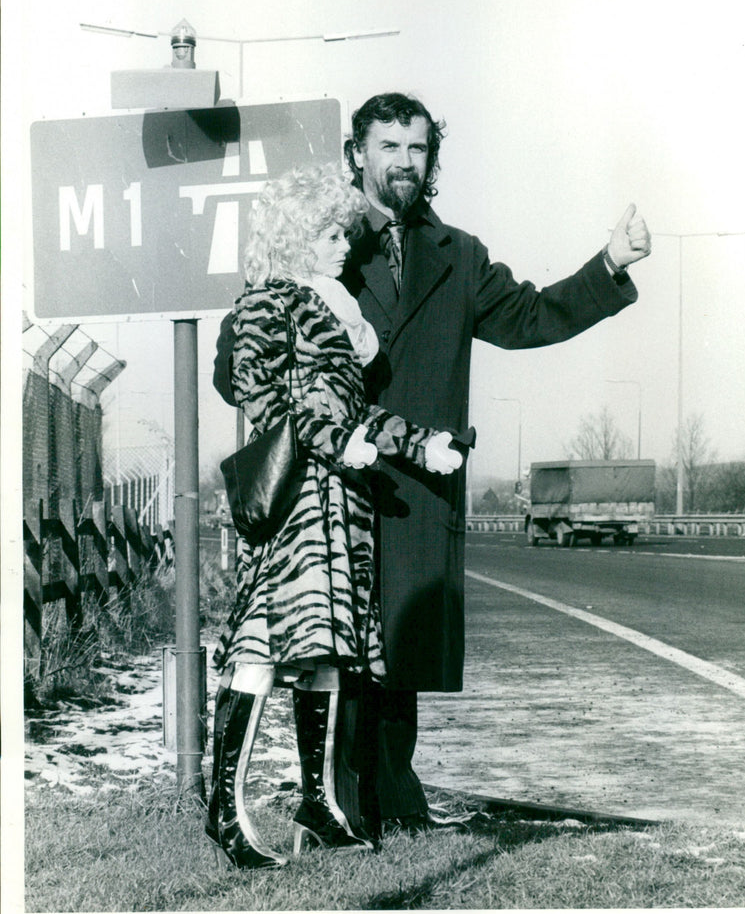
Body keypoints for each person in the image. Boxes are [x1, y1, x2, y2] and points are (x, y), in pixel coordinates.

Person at [214, 93, 652, 842]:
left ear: (432, 160)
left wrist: (609, 265)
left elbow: (531, 316)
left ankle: (385, 793)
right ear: (358, 154)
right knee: (327, 641)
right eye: (388, 146)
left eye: (418, 149)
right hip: (326, 483)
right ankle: (339, 798)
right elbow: (244, 355)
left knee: (400, 651)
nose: (404, 162)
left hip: (415, 485)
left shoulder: (459, 257)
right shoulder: (316, 239)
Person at [206, 162, 465, 869]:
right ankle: (221, 809)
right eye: (327, 234)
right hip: (297, 504)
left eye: (342, 233)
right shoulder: (269, 303)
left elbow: (352, 412)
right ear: (294, 238)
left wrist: (419, 443)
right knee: (263, 644)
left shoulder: (331, 309)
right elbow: (261, 403)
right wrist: (333, 442)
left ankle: (318, 802)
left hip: (338, 505)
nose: (342, 245)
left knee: (324, 653)